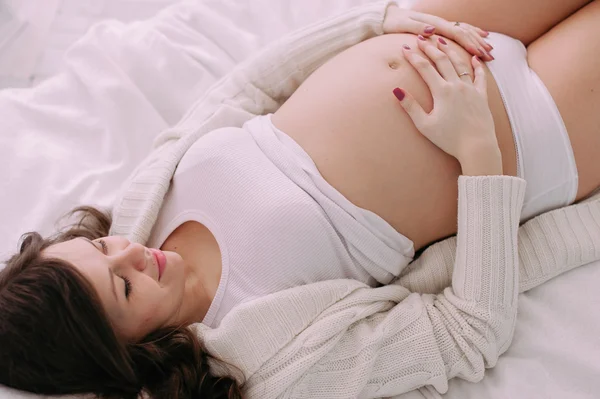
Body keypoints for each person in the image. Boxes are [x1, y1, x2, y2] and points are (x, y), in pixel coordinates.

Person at [1, 0, 599, 398]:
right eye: (124, 287)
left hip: (436, 28)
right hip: (523, 127)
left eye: (102, 246)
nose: (132, 254)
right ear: (124, 358)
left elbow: (249, 87)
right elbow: (469, 332)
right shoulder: (265, 364)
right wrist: (479, 155)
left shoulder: (142, 207)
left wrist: (379, 22)